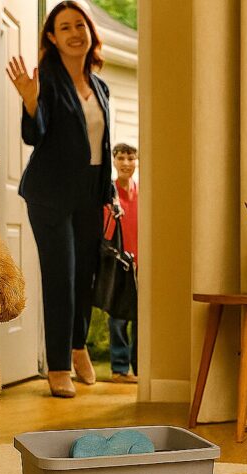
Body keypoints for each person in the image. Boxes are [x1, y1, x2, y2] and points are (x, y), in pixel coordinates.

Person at [6, 1, 113, 398]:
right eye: (64, 27)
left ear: (90, 32)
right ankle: (57, 366)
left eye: (79, 25)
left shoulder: (99, 86)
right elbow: (35, 135)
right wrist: (31, 101)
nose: (74, 33)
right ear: (52, 37)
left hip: (90, 191)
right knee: (61, 277)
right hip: (50, 193)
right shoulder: (46, 80)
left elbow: (100, 144)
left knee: (87, 275)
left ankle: (78, 345)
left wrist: (109, 193)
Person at [103, 143, 138, 383]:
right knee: (117, 317)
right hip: (118, 264)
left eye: (131, 158)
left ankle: (140, 369)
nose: (126, 163)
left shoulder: (143, 194)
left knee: (140, 319)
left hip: (141, 263)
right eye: (121, 158)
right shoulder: (109, 194)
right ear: (114, 161)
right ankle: (119, 368)